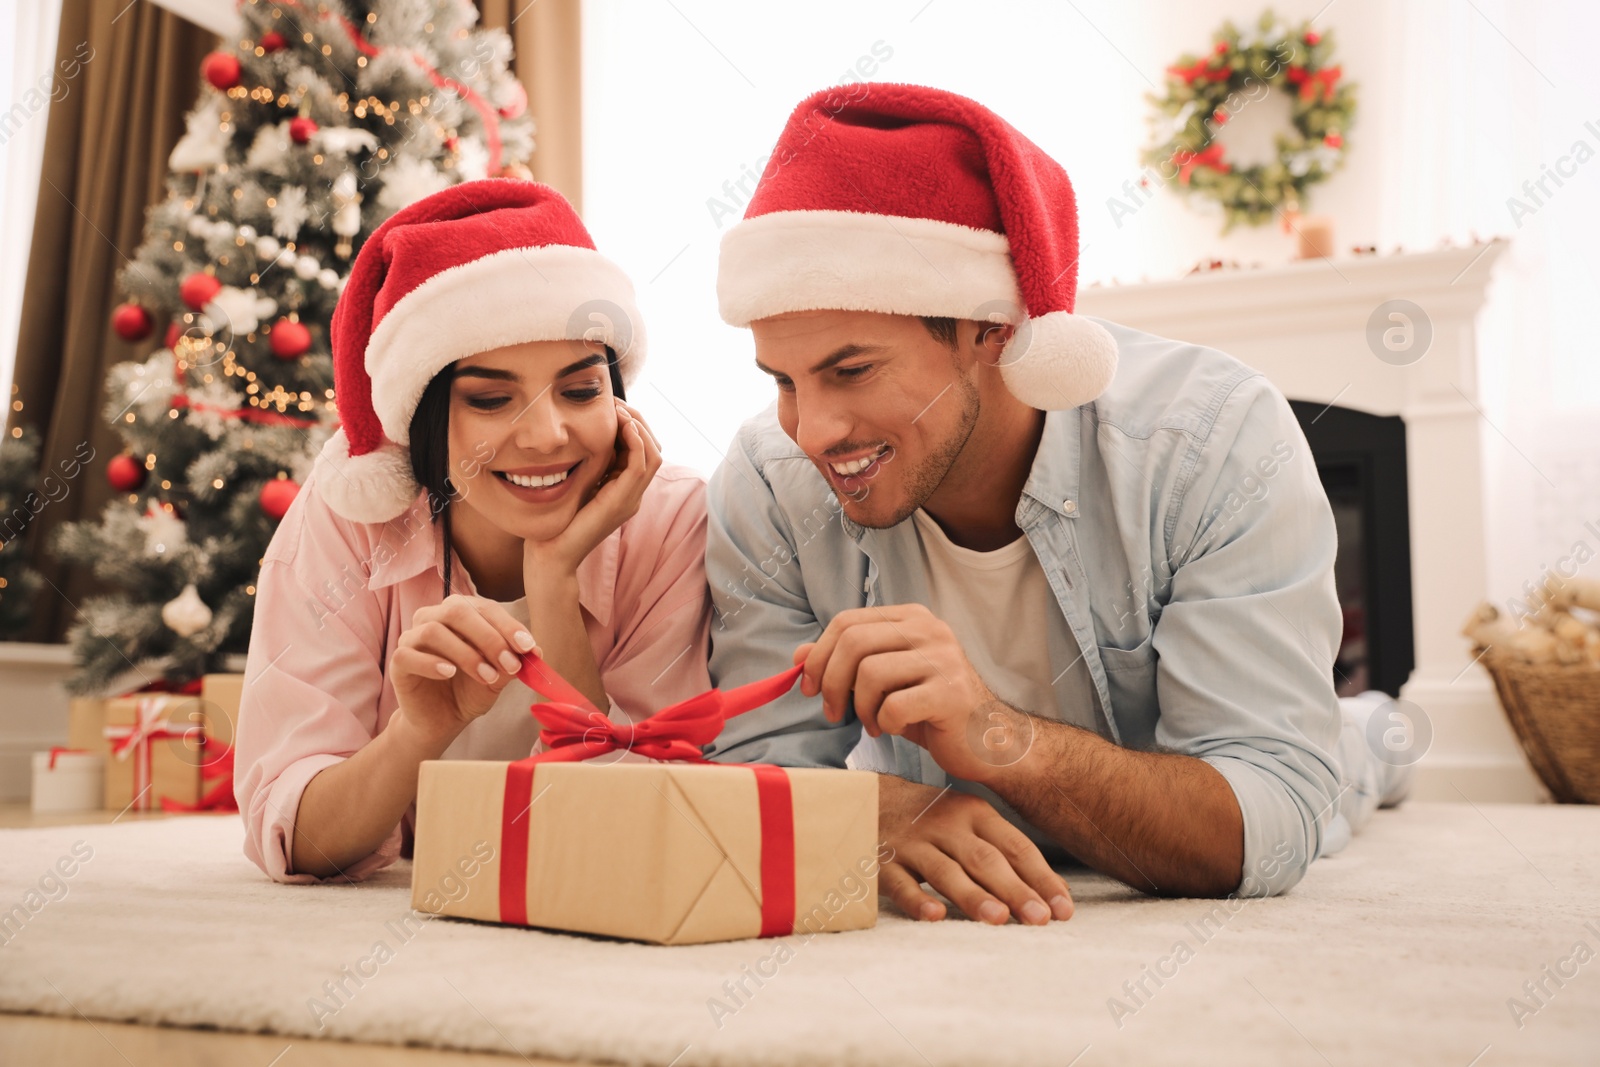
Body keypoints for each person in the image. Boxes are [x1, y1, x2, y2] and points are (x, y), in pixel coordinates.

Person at [702, 84, 1410, 925]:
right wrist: (871, 811)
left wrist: (1004, 739)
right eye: (784, 381)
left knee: (1343, 760)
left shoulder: (1215, 440)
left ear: (991, 329)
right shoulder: (768, 478)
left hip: (1244, 762)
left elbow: (1271, 823)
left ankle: (1366, 733)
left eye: (852, 371)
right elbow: (749, 772)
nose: (811, 429)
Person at [235, 180, 710, 883]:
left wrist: (553, 579)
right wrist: (416, 732)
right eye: (492, 399)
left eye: (581, 390)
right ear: (421, 416)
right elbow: (297, 836)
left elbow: (646, 824)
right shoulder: (348, 519)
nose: (548, 436)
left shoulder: (668, 518)